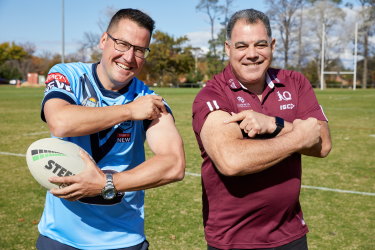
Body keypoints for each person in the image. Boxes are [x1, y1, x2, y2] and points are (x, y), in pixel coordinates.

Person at [36, 8, 185, 250]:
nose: (129, 57)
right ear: (104, 40)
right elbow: (60, 122)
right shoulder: (68, 74)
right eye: (123, 44)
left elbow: (174, 164)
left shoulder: (148, 99)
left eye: (139, 50)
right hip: (59, 237)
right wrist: (128, 111)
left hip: (123, 239)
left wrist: (107, 183)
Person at [192, 9, 332, 250]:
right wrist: (297, 137)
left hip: (291, 233)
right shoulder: (212, 94)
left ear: (272, 45)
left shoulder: (295, 82)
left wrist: (275, 125)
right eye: (241, 46)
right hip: (233, 239)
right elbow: (231, 161)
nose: (252, 54)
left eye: (260, 45)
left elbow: (323, 145)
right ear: (228, 48)